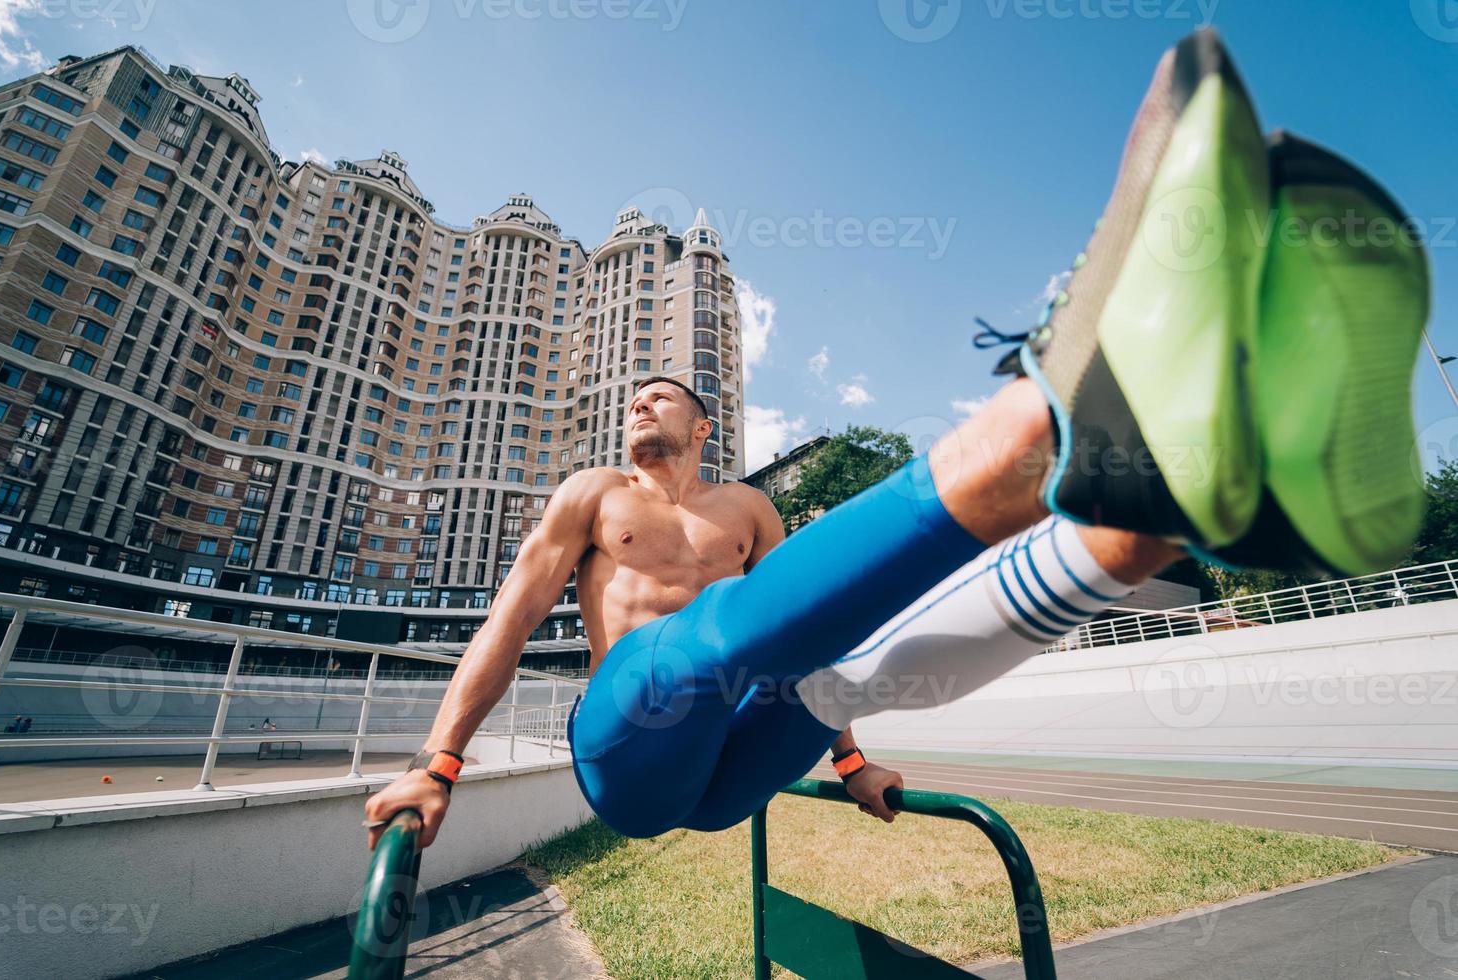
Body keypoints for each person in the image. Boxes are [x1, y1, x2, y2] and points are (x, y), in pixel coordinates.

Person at [366, 29, 1428, 848]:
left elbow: (822, 625)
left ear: (703, 421)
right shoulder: (593, 495)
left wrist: (854, 760)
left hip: (746, 761)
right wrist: (439, 762)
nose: (639, 405)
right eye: (634, 398)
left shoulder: (748, 508)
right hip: (632, 752)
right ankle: (1037, 426)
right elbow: (509, 619)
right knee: (695, 644)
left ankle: (1129, 535)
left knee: (844, 666)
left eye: (660, 396)